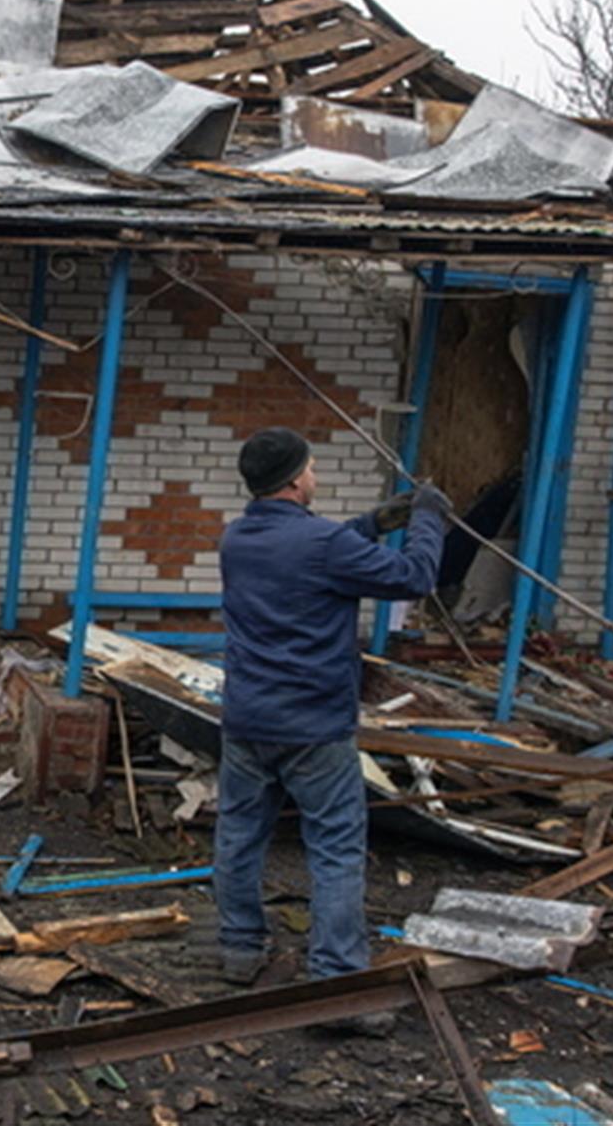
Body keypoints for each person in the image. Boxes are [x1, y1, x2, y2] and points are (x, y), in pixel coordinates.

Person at [213, 428, 448, 1023]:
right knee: (337, 849)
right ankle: (339, 985)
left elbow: (316, 546)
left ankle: (239, 948)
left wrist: (373, 522)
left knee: (240, 837)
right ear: (295, 480)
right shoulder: (322, 545)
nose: (316, 476)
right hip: (313, 726)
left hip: (246, 721)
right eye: (312, 468)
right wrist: (426, 519)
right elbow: (415, 577)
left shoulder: (236, 538)